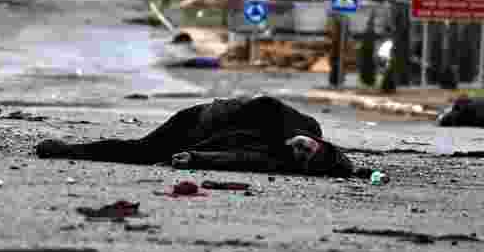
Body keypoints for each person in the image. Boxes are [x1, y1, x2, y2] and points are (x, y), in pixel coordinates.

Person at [35, 95, 366, 177]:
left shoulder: (279, 159)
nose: (300, 150)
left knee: (140, 153)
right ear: (319, 142)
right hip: (200, 118)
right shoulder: (303, 124)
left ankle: (70, 150)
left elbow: (237, 160)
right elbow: (267, 104)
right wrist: (291, 136)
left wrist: (195, 158)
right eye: (309, 149)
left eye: (302, 158)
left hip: (197, 140)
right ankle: (70, 149)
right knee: (141, 150)